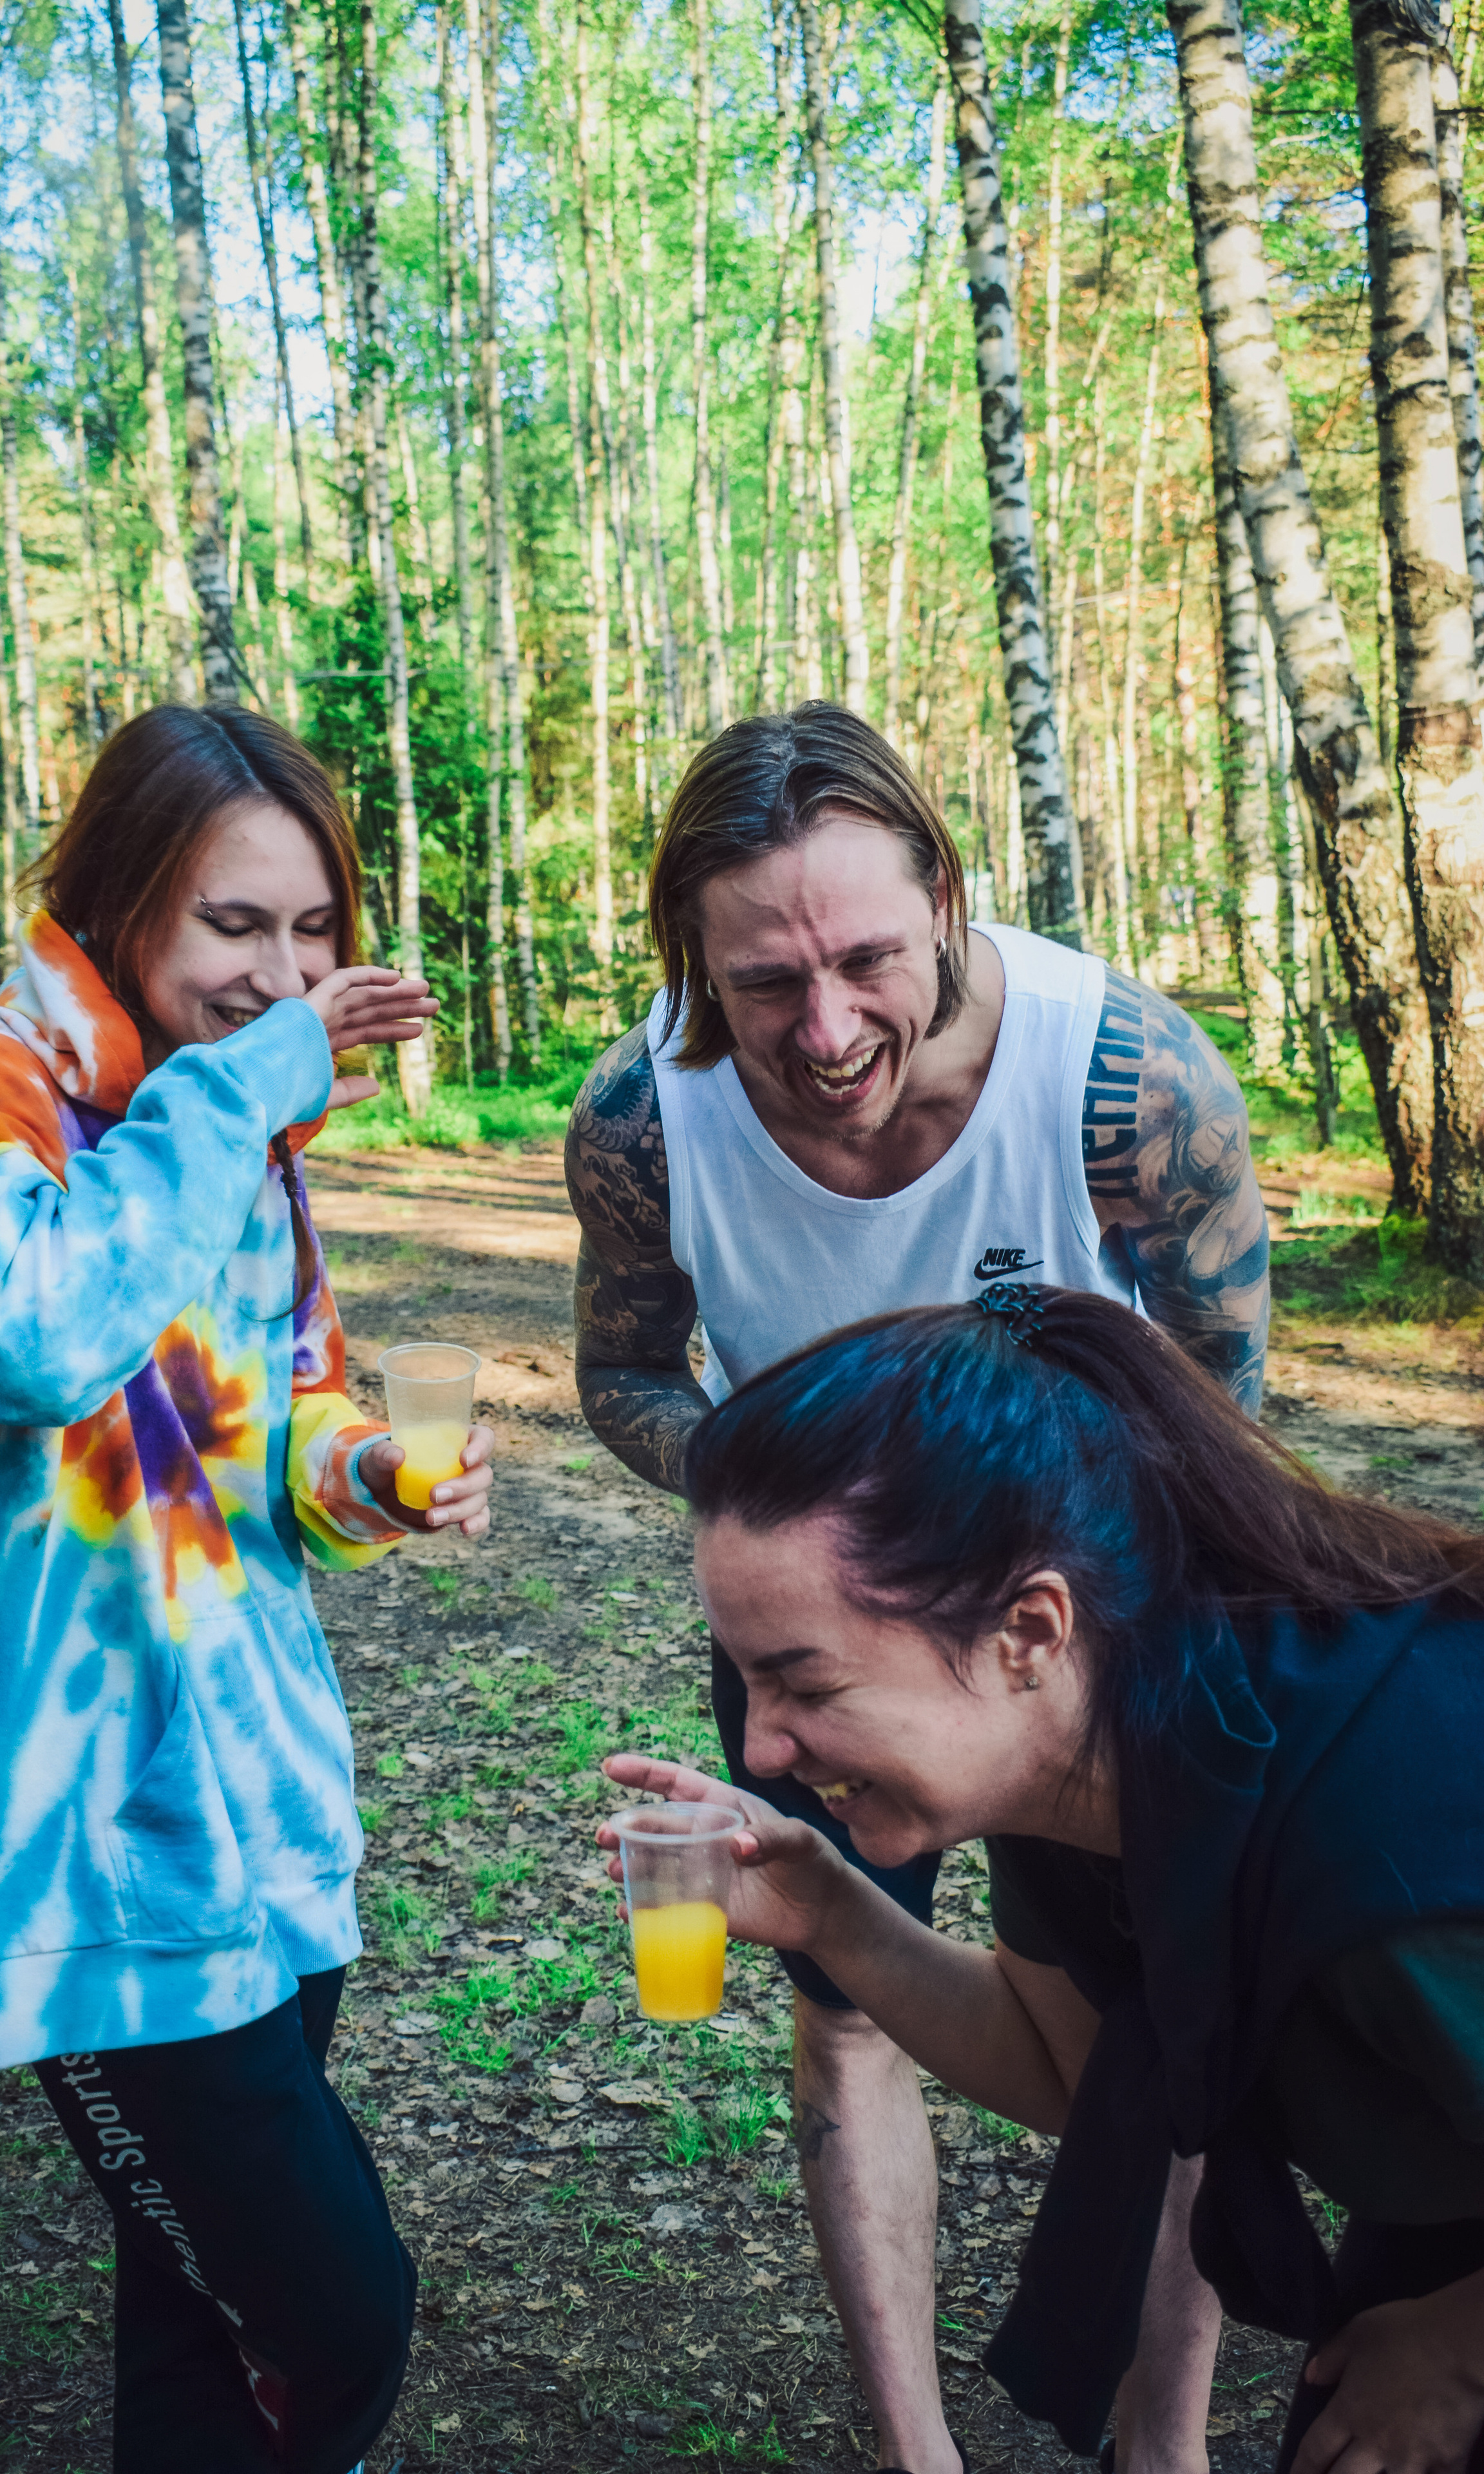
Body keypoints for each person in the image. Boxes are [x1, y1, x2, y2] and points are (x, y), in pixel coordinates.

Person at [566, 703, 1270, 2474]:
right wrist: (782, 1495)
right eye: (758, 988)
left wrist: (1005, 1546)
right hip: (817, 1642)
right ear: (691, 970)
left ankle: (1158, 2437)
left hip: (1095, 1629)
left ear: (945, 897)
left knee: (1187, 2038)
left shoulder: (1128, 1081)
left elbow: (1225, 1425)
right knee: (849, 2001)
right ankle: (913, 2451)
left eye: (868, 960)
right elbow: (624, 1374)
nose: (823, 1032)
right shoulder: (644, 1118)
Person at [0, 704, 496, 2474]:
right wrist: (252, 1086)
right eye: (236, 926)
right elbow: (48, 1335)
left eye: (315, 933)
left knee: (201, 2342)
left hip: (261, 1820)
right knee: (337, 2313)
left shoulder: (213, 1129)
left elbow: (281, 1403)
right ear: (125, 900)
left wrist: (370, 1470)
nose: (286, 978)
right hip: (86, 1847)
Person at [601, 1289, 1484, 2473]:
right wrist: (830, 1914)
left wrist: (1459, 2346)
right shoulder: (1079, 1749)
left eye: (805, 1685)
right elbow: (1070, 2062)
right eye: (745, 1683)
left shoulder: (1397, 1854)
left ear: (1028, 1629)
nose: (758, 1751)